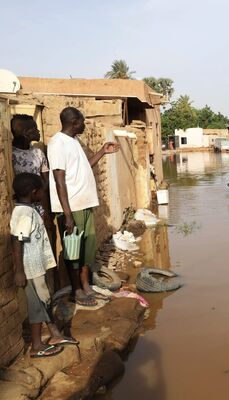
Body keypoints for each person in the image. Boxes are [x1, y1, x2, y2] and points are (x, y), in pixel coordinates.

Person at [48, 107, 120, 307]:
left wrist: (102, 152)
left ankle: (86, 286)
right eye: (82, 122)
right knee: (73, 252)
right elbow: (59, 180)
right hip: (72, 207)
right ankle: (76, 291)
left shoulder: (74, 142)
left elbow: (84, 166)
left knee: (86, 251)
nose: (84, 125)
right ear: (74, 123)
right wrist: (68, 214)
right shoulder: (57, 143)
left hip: (85, 204)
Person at [11, 173, 79, 358]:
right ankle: (37, 345)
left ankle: (55, 335)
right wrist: (19, 270)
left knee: (44, 299)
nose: (44, 193)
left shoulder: (29, 209)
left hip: (36, 267)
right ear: (34, 192)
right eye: (42, 190)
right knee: (37, 305)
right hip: (30, 269)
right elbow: (17, 240)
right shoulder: (24, 213)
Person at [11, 115, 50, 225]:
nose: (38, 132)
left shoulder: (38, 153)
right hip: (21, 209)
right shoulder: (11, 155)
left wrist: (44, 207)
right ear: (26, 133)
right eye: (35, 129)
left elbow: (46, 181)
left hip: (39, 205)